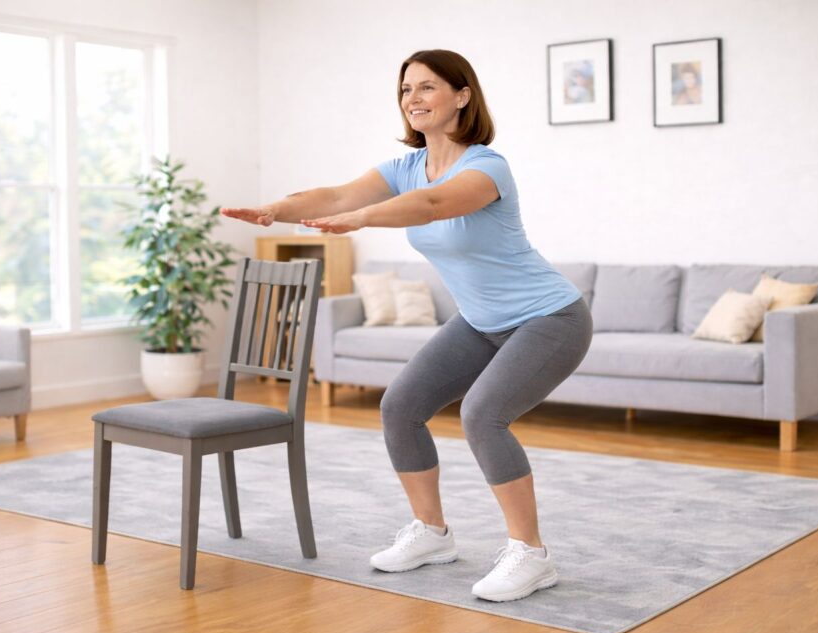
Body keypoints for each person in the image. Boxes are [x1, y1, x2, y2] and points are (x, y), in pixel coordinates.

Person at [222, 49, 593, 603]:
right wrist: (278, 208)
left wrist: (363, 218)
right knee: (400, 407)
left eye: (426, 87)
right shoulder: (403, 168)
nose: (412, 99)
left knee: (484, 415)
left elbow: (434, 204)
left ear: (462, 95)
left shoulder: (486, 166)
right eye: (405, 90)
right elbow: (339, 195)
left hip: (549, 319)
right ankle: (432, 534)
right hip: (480, 322)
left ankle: (532, 555)